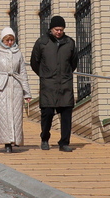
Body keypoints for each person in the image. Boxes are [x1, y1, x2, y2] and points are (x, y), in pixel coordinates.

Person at [30, 14, 77, 152]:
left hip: (65, 84)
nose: (59, 32)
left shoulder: (70, 43)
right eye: (56, 29)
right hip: (48, 85)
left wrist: (66, 74)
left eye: (61, 29)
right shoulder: (42, 42)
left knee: (66, 114)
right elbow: (34, 62)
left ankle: (64, 142)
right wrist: (44, 75)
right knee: (47, 114)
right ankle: (44, 138)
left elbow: (73, 62)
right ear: (51, 29)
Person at [0, 27, 31, 153]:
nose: (10, 43)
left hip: (15, 87)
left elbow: (23, 73)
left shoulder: (18, 52)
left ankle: (15, 140)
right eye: (7, 40)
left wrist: (26, 92)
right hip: (1, 87)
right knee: (2, 115)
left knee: (16, 115)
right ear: (2, 39)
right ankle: (6, 143)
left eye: (12, 40)